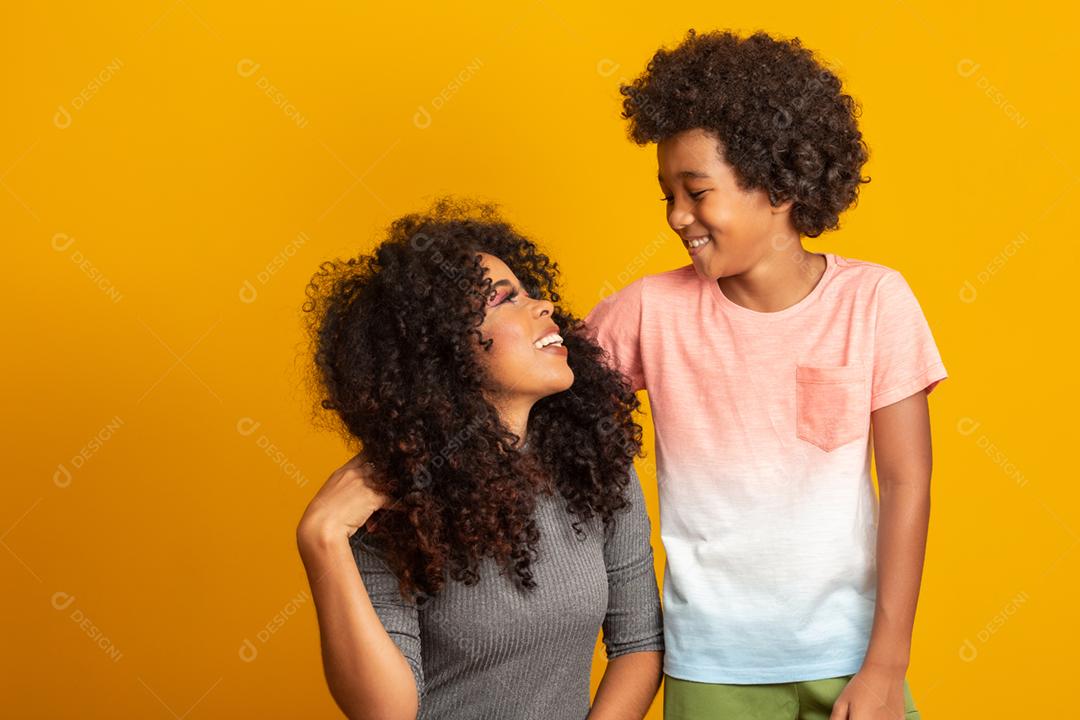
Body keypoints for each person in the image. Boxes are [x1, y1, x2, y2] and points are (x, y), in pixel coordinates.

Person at [586, 29, 947, 719]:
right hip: (711, 669)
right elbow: (540, 399)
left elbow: (907, 481)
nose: (675, 216)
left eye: (696, 192)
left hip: (851, 662)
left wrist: (886, 663)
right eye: (666, 194)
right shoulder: (646, 312)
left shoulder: (875, 301)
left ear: (779, 184)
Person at [295, 199, 664, 720]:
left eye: (531, 292)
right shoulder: (396, 502)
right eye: (504, 299)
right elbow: (387, 713)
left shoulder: (597, 466)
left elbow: (639, 645)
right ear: (444, 351)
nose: (544, 305)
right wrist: (322, 539)